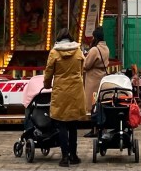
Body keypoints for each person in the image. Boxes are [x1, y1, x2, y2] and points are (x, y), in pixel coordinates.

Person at [43, 27, 87, 167]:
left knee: (62, 124)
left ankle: (65, 157)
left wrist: (46, 84)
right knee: (73, 124)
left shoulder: (54, 53)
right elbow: (82, 69)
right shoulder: (78, 51)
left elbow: (49, 72)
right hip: (75, 90)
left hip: (61, 91)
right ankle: (74, 155)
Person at [83, 27, 110, 136]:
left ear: (96, 37)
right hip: (102, 77)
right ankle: (101, 127)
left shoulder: (94, 50)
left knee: (93, 104)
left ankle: (94, 129)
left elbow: (86, 65)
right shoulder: (106, 48)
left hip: (93, 79)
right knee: (100, 104)